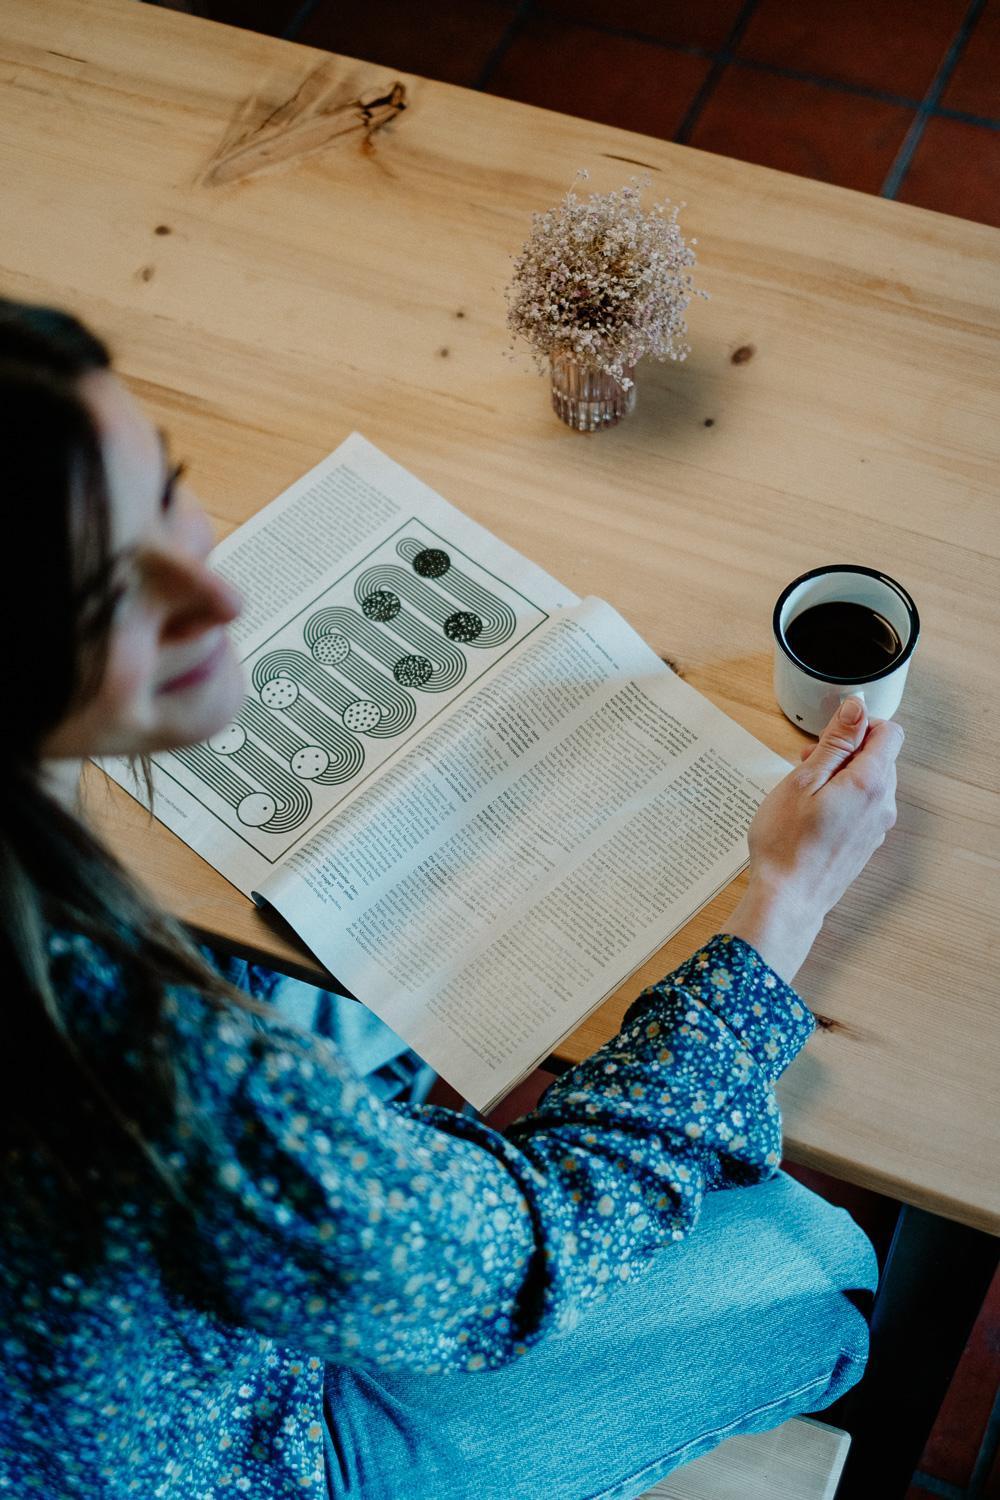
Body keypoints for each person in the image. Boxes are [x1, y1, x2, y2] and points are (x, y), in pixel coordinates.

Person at [0, 297, 902, 1500]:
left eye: (167, 489)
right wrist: (782, 900)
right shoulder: (147, 1075)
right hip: (259, 1447)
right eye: (106, 596)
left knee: (326, 991)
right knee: (819, 1268)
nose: (218, 599)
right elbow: (526, 1260)